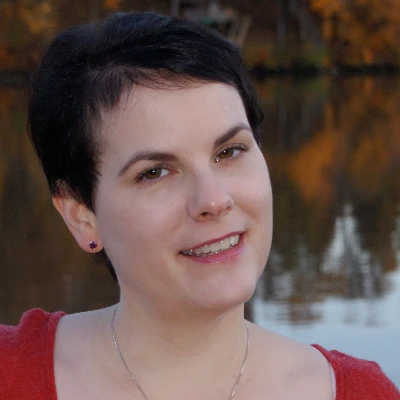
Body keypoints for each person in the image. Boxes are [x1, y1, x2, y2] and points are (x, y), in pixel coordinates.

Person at [0, 12, 399, 400]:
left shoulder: (359, 394)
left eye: (230, 151)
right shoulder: (11, 374)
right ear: (81, 216)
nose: (214, 200)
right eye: (155, 172)